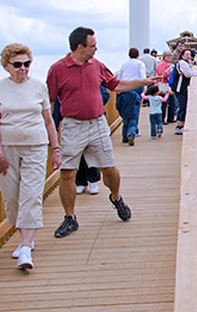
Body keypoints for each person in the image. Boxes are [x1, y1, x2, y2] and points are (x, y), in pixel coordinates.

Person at [46, 27, 157, 239]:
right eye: (93, 45)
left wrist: (143, 82)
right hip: (72, 125)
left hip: (97, 123)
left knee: (109, 168)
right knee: (67, 173)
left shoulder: (96, 66)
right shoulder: (57, 70)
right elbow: (49, 103)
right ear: (80, 47)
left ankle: (116, 198)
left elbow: (115, 84)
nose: (96, 49)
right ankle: (70, 218)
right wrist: (50, 136)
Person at [0, 43, 61, 270]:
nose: (23, 68)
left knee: (31, 194)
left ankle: (26, 248)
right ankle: (24, 241)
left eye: (26, 64)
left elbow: (49, 120)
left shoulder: (39, 86)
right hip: (8, 147)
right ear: (7, 66)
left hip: (36, 145)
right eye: (17, 64)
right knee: (12, 197)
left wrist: (55, 149)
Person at [116, 48, 146, 146]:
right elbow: (142, 75)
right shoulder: (139, 63)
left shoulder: (124, 64)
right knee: (134, 113)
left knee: (126, 115)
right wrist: (145, 87)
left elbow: (119, 76)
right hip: (136, 88)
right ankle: (132, 133)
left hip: (124, 89)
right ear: (138, 55)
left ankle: (124, 136)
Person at [173, 48, 197, 135]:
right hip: (181, 88)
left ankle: (180, 125)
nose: (188, 56)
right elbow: (188, 73)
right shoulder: (182, 63)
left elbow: (190, 70)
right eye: (186, 54)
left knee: (183, 106)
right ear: (182, 56)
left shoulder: (185, 63)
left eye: (189, 54)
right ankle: (179, 126)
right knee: (182, 107)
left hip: (182, 88)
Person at [155, 51, 176, 124]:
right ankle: (162, 119)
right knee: (164, 103)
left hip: (168, 85)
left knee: (172, 102)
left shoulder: (170, 64)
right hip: (162, 85)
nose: (169, 57)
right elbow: (161, 74)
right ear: (164, 56)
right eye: (167, 55)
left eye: (170, 55)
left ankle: (170, 117)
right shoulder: (162, 64)